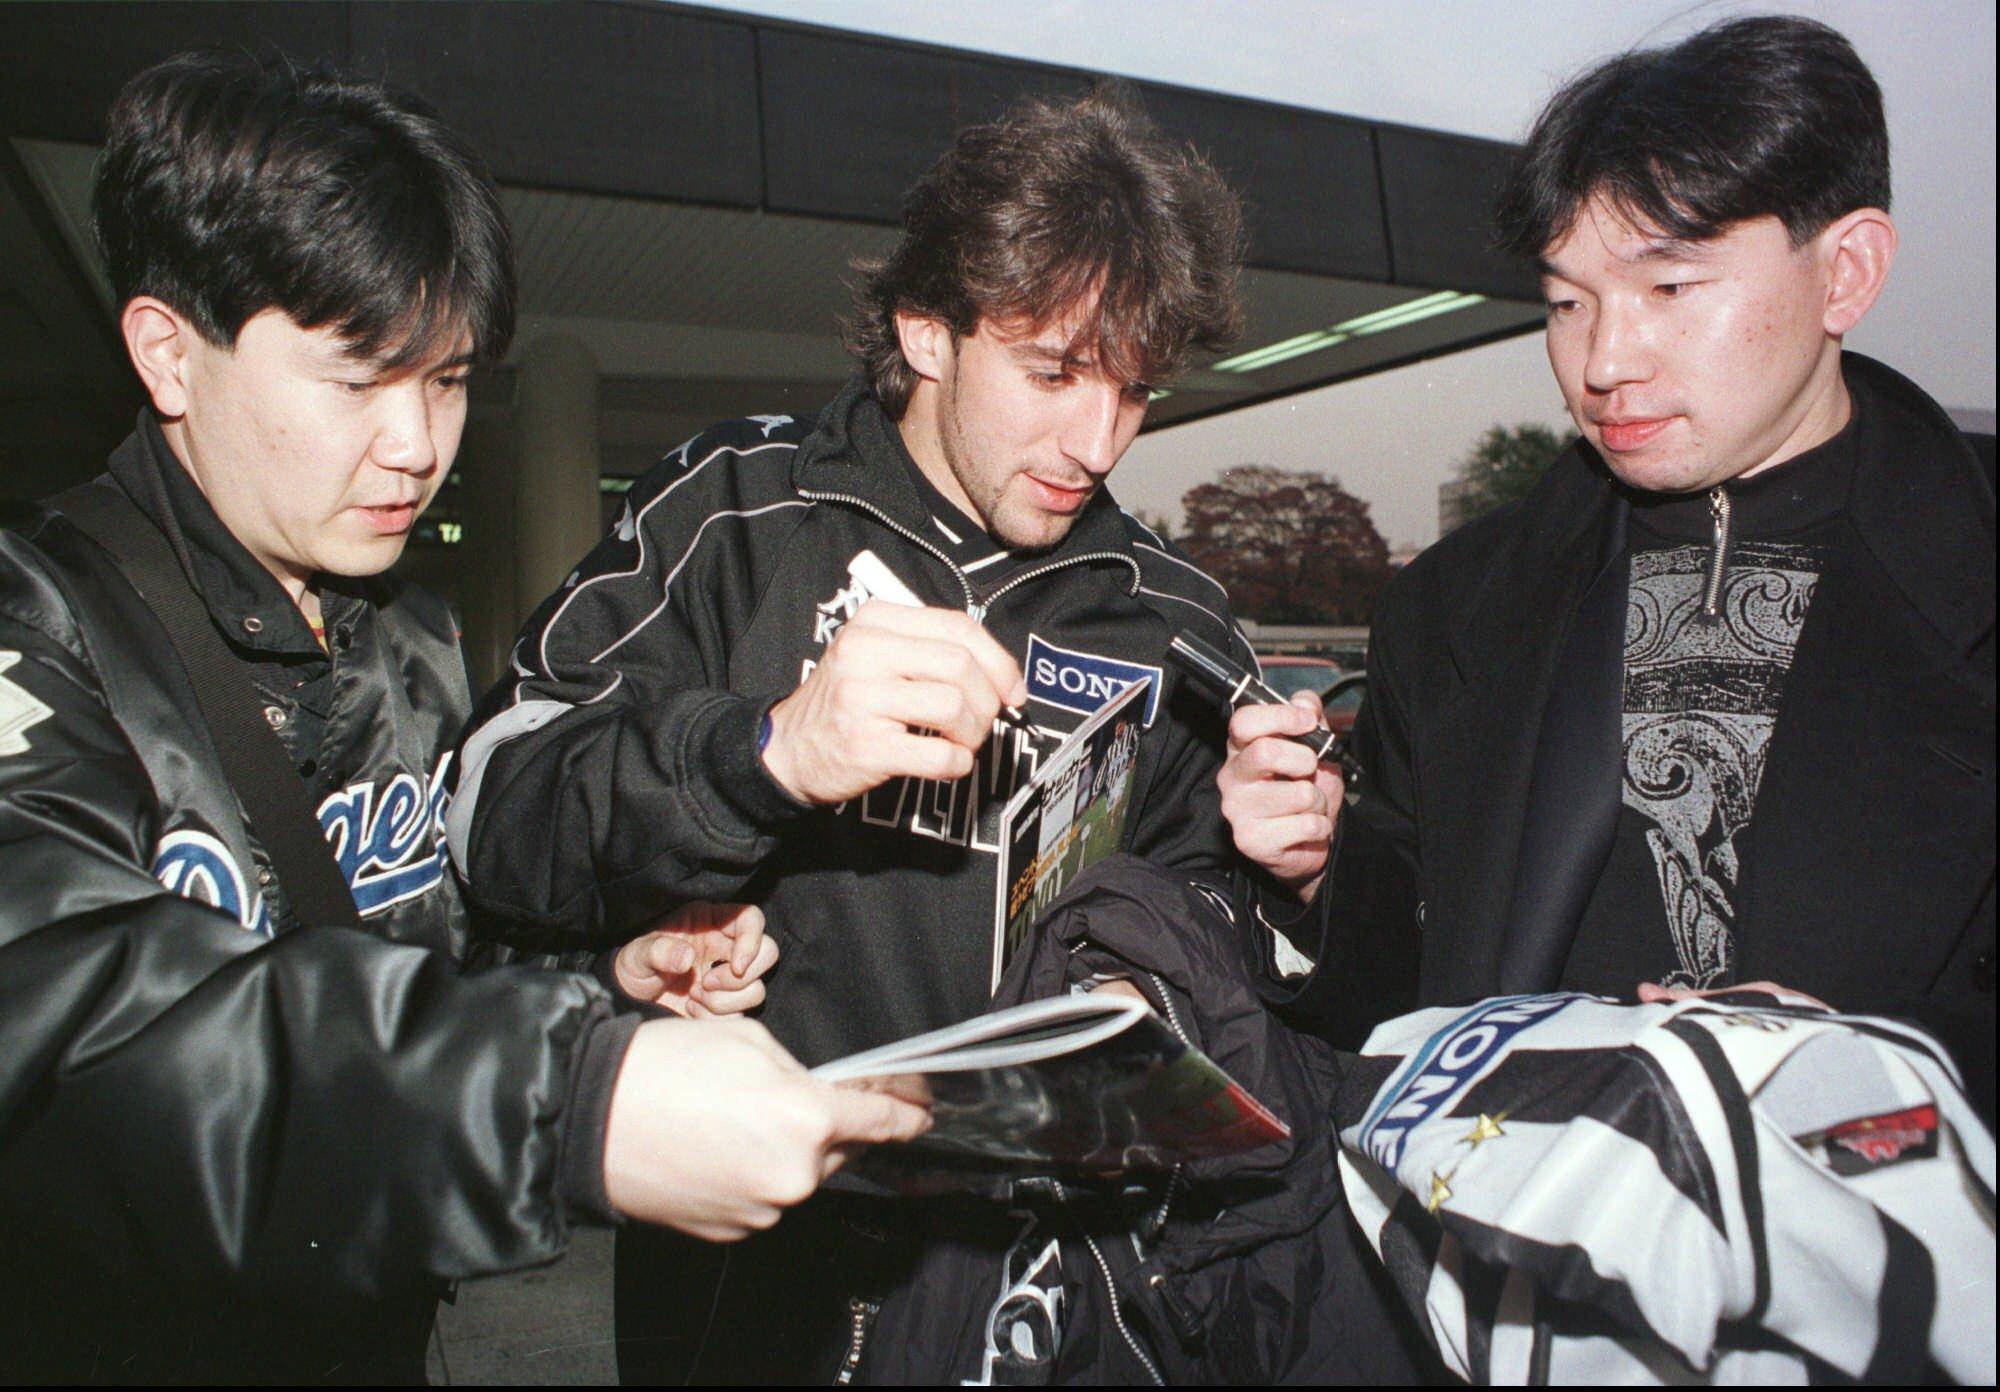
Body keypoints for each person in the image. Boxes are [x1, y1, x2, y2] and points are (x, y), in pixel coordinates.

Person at [0, 51, 922, 1384]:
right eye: (356, 380)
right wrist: (564, 1096)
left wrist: (600, 985)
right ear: (168, 353)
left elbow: (426, 961)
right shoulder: (38, 628)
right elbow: (77, 1025)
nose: (417, 445)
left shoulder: (410, 641)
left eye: (442, 382)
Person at [449, 87, 1259, 1382]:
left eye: (1135, 392)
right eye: (1053, 373)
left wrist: (1206, 940)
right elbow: (490, 807)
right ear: (926, 329)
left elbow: (1221, 909)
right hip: (754, 1273)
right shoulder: (733, 514)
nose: (1097, 440)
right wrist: (759, 757)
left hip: (1052, 1279)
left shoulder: (1167, 616)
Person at [1222, 16, 1995, 1117]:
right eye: (1565, 302)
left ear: (1846, 271)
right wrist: (1312, 873)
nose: (1603, 361)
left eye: (1668, 288)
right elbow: (1393, 1002)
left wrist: (1884, 1066)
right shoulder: (1448, 610)